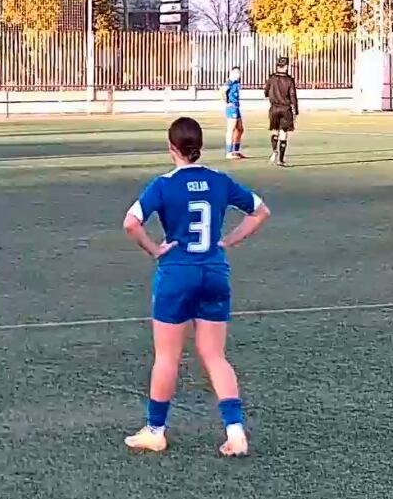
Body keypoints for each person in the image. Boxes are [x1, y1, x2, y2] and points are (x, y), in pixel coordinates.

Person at [122, 117, 271, 457]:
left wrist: (155, 249)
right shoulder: (220, 180)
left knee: (167, 356)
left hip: (177, 274)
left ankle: (155, 430)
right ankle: (235, 431)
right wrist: (229, 241)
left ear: (171, 147)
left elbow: (130, 223)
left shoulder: (163, 184)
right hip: (215, 272)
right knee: (215, 355)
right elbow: (261, 211)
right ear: (199, 146)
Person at [263, 57, 297, 167]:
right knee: (283, 132)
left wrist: (272, 95)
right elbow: (292, 95)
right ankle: (281, 160)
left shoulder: (271, 78)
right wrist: (296, 109)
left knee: (274, 130)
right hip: (285, 109)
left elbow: (266, 92)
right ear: (286, 66)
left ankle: (274, 150)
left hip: (274, 108)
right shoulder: (289, 80)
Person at [221, 66, 245, 159]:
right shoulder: (229, 82)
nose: (238, 75)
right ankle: (229, 152)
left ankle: (236, 151)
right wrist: (227, 103)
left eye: (239, 73)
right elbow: (222, 91)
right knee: (231, 129)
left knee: (240, 129)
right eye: (236, 73)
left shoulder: (237, 83)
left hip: (236, 107)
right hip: (232, 108)